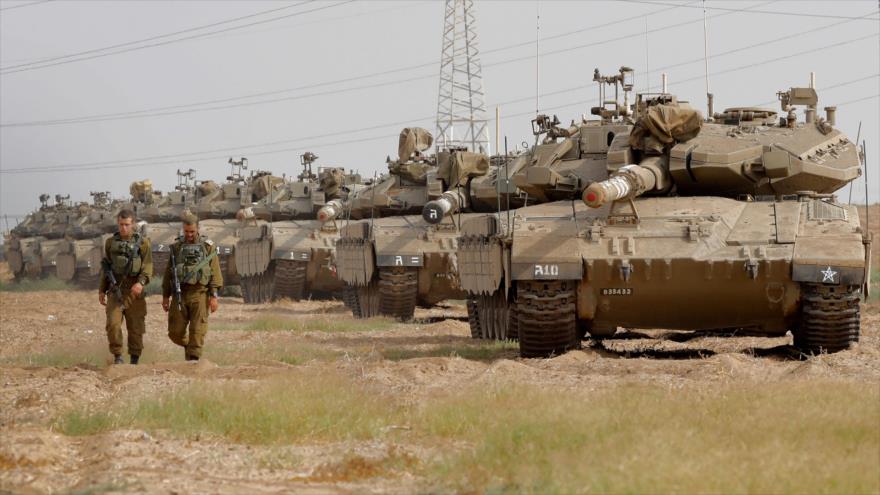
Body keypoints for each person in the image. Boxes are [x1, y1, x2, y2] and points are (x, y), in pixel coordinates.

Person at [162, 213, 223, 361]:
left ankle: (193, 364)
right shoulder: (176, 247)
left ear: (198, 229)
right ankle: (188, 347)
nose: (189, 234)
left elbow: (215, 272)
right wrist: (165, 296)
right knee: (175, 333)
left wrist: (214, 296)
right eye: (186, 231)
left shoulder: (208, 247)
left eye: (192, 231)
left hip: (200, 294)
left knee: (197, 332)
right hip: (180, 295)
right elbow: (169, 272)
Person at [99, 209, 152, 365]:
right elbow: (107, 268)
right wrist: (102, 289)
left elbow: (147, 267)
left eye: (127, 225)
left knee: (136, 328)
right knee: (113, 324)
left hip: (134, 291)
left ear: (133, 224)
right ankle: (118, 356)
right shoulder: (110, 243)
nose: (123, 228)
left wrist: (140, 283)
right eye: (121, 224)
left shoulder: (143, 243)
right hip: (116, 290)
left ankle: (134, 360)